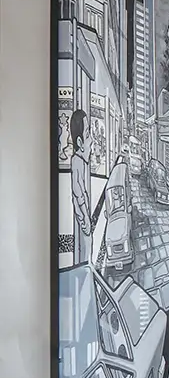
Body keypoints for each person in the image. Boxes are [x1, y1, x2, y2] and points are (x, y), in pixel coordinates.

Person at [69, 109, 92, 266]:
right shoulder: (77, 161)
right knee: (85, 253)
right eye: (88, 134)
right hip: (83, 221)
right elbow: (77, 190)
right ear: (80, 143)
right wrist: (86, 216)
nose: (92, 140)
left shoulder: (80, 162)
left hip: (83, 218)